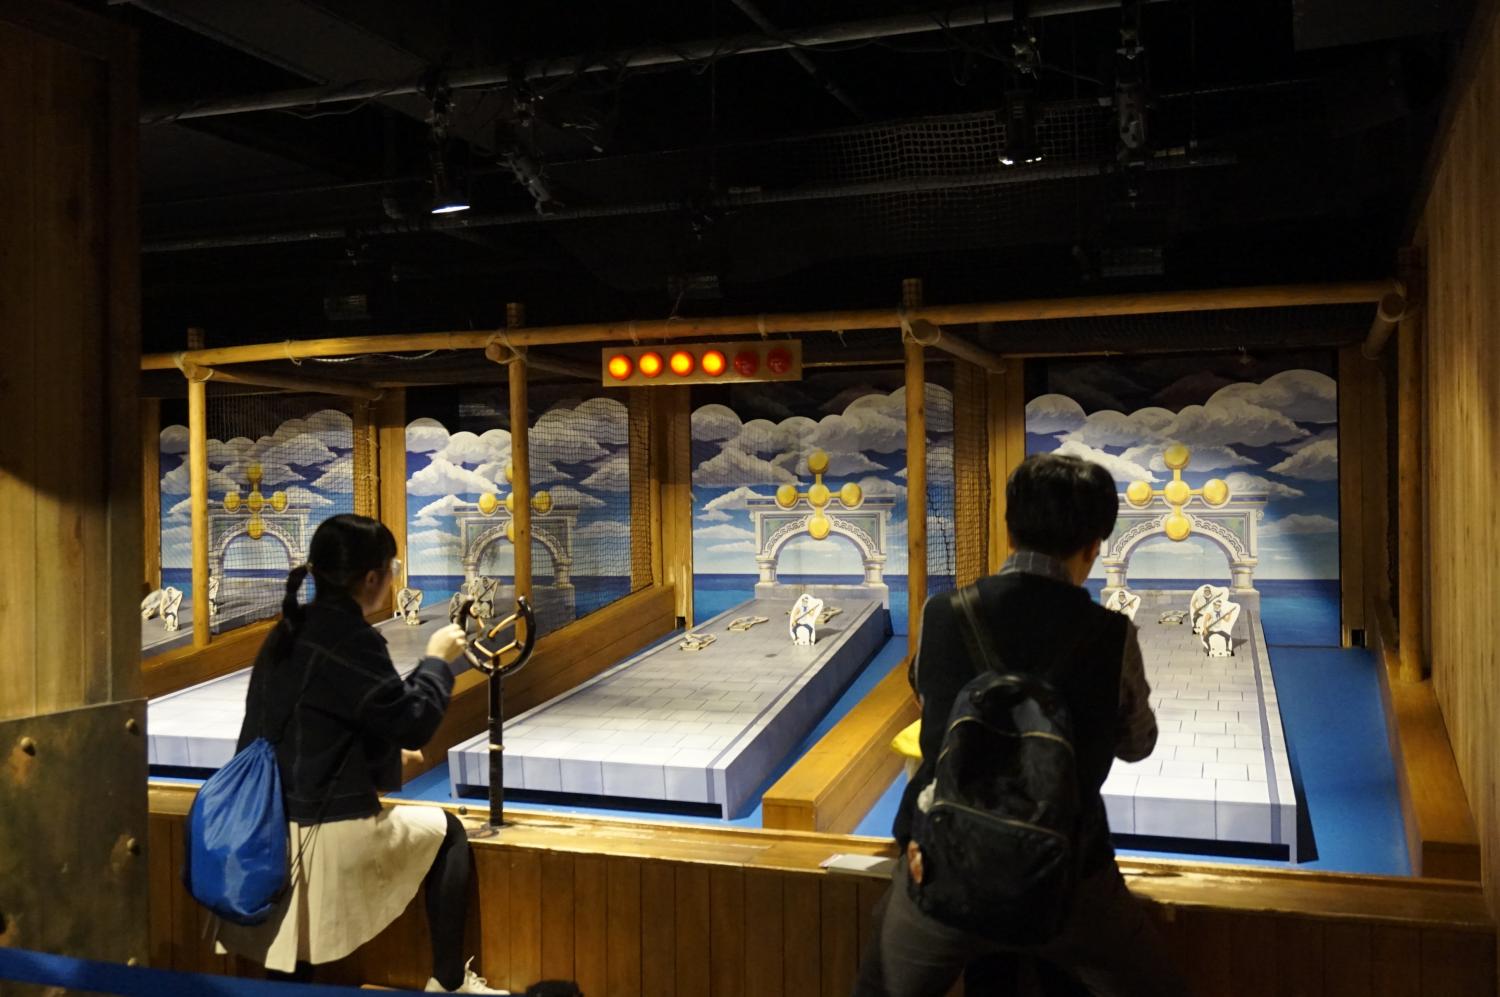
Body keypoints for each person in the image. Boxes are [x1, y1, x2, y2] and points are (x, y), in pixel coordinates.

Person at [854, 453, 1194, 997]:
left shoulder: (942, 614)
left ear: (1009, 531)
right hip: (1067, 870)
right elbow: (1137, 743)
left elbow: (926, 694)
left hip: (942, 862)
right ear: (1094, 546)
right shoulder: (1110, 634)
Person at [214, 514, 507, 995]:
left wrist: (388, 761)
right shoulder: (351, 638)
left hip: (266, 821)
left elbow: (339, 722)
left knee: (292, 958)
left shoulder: (287, 631)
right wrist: (437, 661)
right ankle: (448, 982)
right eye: (392, 569)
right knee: (448, 832)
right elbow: (411, 722)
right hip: (322, 829)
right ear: (372, 578)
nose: (392, 579)